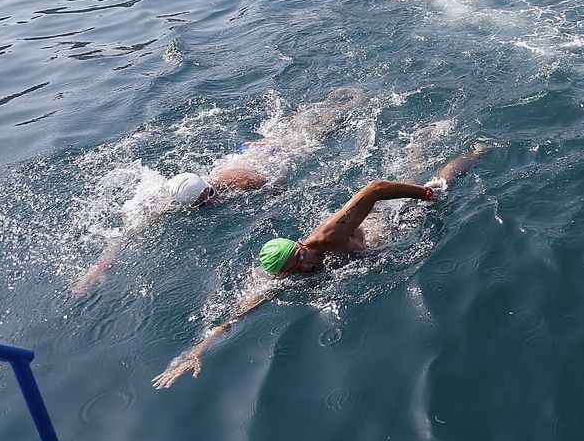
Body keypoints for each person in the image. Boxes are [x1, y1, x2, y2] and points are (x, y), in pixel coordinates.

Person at [153, 141, 495, 387]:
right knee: (412, 171)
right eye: (296, 266)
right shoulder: (286, 277)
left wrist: (425, 195)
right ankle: (421, 147)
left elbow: (374, 190)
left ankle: (476, 152)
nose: (305, 264)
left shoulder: (327, 236)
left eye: (302, 256)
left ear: (300, 248)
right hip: (366, 250)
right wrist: (196, 351)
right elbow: (239, 312)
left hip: (389, 225)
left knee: (438, 185)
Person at [72, 88, 366, 294]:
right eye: (203, 204)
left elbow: (279, 179)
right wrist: (99, 268)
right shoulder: (165, 199)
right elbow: (130, 233)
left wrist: (274, 201)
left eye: (211, 194)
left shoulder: (238, 181)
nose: (212, 203)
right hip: (246, 155)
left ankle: (342, 106)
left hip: (268, 156)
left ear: (211, 186)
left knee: (312, 136)